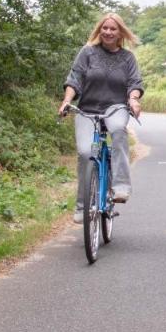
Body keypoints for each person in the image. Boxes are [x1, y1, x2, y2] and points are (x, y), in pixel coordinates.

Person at [59, 13, 143, 223]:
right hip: (87, 108)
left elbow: (134, 83)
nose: (108, 32)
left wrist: (133, 100)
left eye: (113, 29)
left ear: (120, 32)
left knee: (117, 130)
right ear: (99, 30)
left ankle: (120, 186)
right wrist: (66, 101)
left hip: (115, 107)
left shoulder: (128, 58)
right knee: (86, 153)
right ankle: (82, 206)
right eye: (104, 28)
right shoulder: (87, 53)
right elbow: (75, 78)